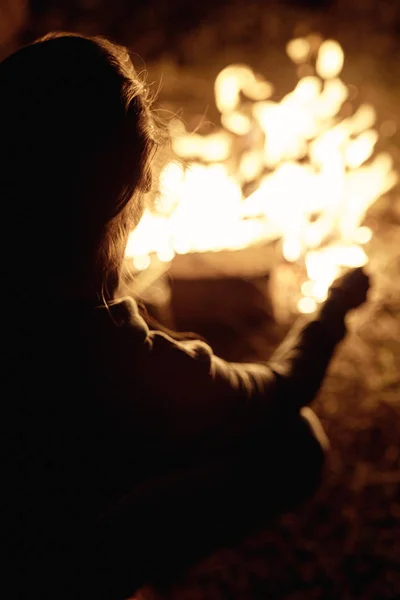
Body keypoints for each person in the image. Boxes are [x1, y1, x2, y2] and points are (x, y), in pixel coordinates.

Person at [0, 32, 370, 600]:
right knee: (294, 442)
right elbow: (280, 389)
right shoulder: (122, 360)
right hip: (33, 568)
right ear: (125, 198)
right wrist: (335, 307)